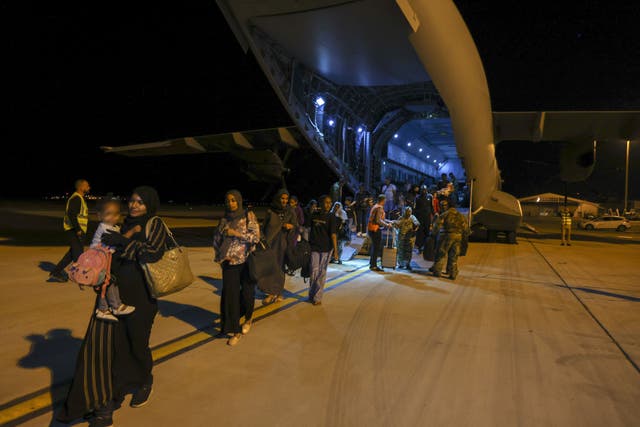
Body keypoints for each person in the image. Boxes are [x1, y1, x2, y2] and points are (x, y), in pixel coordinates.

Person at [57, 186, 167, 427]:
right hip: (114, 295)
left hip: (142, 297)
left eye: (141, 202)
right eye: (133, 200)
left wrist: (123, 242)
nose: (135, 205)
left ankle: (144, 380)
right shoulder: (122, 223)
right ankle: (108, 398)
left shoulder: (154, 224)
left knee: (137, 344)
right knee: (115, 348)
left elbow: (153, 253)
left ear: (150, 204)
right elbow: (107, 255)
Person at [213, 190, 260, 346]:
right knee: (230, 296)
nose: (230, 203)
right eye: (228, 201)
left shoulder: (248, 216)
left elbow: (255, 238)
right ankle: (233, 330)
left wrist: (237, 234)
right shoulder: (224, 219)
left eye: (233, 200)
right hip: (229, 263)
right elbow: (217, 239)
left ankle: (248, 318)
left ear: (239, 201)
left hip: (246, 262)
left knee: (247, 295)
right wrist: (220, 257)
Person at [90, 199, 137, 322]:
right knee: (107, 284)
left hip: (104, 261)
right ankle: (111, 307)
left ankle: (106, 308)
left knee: (108, 284)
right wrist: (132, 232)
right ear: (100, 216)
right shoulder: (105, 228)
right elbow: (119, 240)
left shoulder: (112, 227)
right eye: (108, 214)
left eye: (116, 214)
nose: (113, 217)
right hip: (99, 262)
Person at [49, 179, 91, 282]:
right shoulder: (76, 198)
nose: (89, 187)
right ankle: (79, 275)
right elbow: (71, 215)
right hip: (74, 230)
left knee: (71, 254)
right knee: (78, 255)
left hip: (77, 230)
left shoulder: (80, 198)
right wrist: (78, 230)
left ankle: (56, 272)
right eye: (87, 186)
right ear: (81, 187)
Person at [260, 189, 297, 304]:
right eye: (282, 198)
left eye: (286, 199)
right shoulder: (271, 211)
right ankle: (271, 293)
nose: (284, 201)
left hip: (283, 244)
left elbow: (296, 226)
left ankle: (278, 292)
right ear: (277, 198)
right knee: (270, 268)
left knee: (280, 269)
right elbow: (264, 227)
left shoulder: (290, 211)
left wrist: (291, 226)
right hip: (271, 243)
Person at [308, 195, 339, 305]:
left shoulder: (331, 217)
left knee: (322, 273)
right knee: (313, 271)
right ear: (320, 203)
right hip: (314, 247)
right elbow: (308, 229)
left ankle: (317, 297)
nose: (328, 205)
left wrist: (336, 251)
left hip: (326, 248)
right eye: (326, 202)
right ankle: (311, 293)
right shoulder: (314, 215)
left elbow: (333, 234)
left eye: (330, 202)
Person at [431, 198, 469, 280]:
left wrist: (433, 235)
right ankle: (453, 273)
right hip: (458, 237)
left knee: (441, 254)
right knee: (453, 256)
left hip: (447, 236)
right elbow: (466, 229)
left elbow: (437, 226)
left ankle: (437, 271)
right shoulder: (461, 216)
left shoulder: (445, 214)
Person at [368, 194, 392, 271]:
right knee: (376, 248)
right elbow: (378, 220)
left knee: (374, 247)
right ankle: (373, 265)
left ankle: (372, 264)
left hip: (371, 229)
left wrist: (390, 221)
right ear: (383, 200)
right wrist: (387, 225)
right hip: (375, 229)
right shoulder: (379, 208)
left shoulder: (375, 206)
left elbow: (381, 219)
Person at [414, 185, 433, 251]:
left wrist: (434, 214)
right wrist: (415, 218)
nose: (423, 191)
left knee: (427, 231)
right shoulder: (417, 197)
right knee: (420, 232)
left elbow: (431, 206)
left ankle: (427, 246)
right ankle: (420, 246)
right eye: (422, 190)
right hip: (420, 217)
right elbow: (415, 208)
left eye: (424, 190)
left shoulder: (430, 196)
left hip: (427, 217)